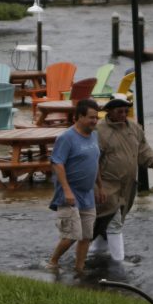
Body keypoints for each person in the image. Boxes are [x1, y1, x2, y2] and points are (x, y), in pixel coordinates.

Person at [89, 96, 153, 263]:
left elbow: (144, 149)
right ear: (109, 111)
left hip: (128, 185)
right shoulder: (99, 131)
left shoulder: (135, 128)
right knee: (113, 221)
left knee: (107, 223)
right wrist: (96, 187)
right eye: (120, 111)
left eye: (126, 111)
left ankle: (94, 254)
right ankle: (119, 262)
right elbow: (92, 160)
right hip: (106, 184)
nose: (124, 114)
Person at [46, 99, 103, 273]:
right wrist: (67, 190)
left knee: (86, 236)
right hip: (69, 194)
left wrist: (100, 186)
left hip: (88, 193)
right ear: (79, 117)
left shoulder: (94, 135)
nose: (94, 121)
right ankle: (52, 262)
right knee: (71, 236)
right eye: (91, 118)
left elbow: (94, 162)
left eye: (96, 117)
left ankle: (79, 268)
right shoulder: (66, 138)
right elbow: (57, 164)